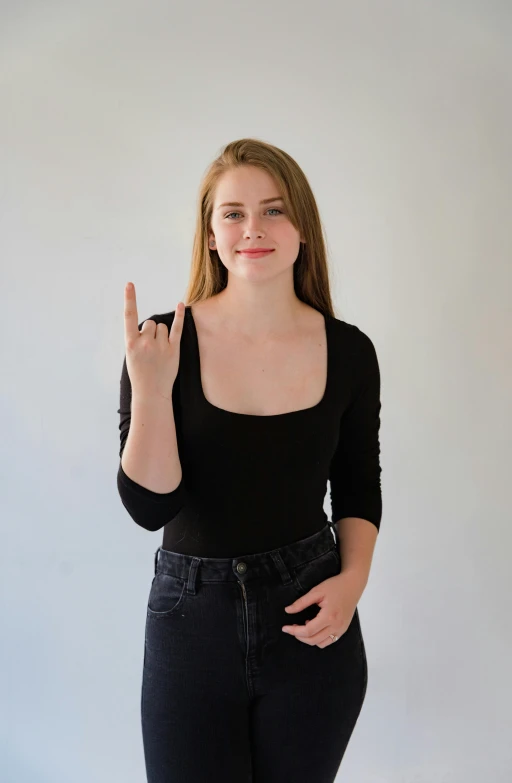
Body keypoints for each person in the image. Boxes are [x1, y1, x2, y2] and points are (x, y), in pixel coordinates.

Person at [117, 138, 382, 783]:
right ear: (210, 234)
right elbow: (150, 508)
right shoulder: (162, 340)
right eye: (232, 213)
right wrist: (152, 389)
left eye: (273, 210)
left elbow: (357, 487)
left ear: (302, 229)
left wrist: (352, 583)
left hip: (310, 615)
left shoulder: (348, 350)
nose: (253, 229)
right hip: (191, 622)